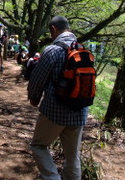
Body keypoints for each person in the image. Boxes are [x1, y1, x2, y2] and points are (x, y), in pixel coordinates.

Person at [27, 16, 89, 180]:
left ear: (54, 29)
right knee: (72, 155)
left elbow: (37, 79)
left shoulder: (52, 50)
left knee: (38, 146)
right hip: (80, 112)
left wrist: (34, 98)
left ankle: (53, 177)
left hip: (55, 111)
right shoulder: (82, 50)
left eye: (50, 32)